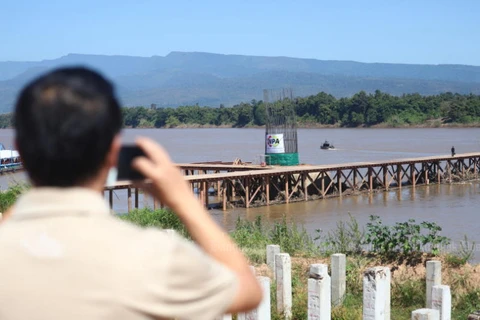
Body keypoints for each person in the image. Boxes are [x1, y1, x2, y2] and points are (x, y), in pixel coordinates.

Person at [0, 67, 262, 320]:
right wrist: (184, 201)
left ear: (20, 151)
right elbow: (247, 290)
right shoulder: (152, 255)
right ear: (113, 153)